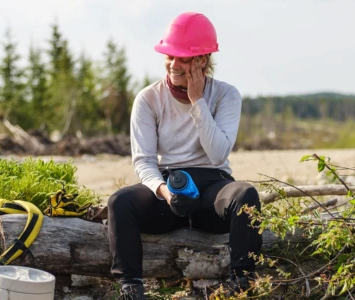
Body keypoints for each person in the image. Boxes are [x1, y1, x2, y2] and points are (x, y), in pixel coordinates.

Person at [108, 12, 262, 299]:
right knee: (120, 201)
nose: (174, 64)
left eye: (183, 58)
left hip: (212, 189)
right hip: (169, 189)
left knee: (246, 195)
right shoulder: (148, 99)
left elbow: (217, 155)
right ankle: (131, 288)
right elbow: (143, 160)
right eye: (170, 56)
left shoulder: (227, 96)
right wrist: (166, 193)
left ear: (202, 60)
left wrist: (197, 101)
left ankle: (242, 283)